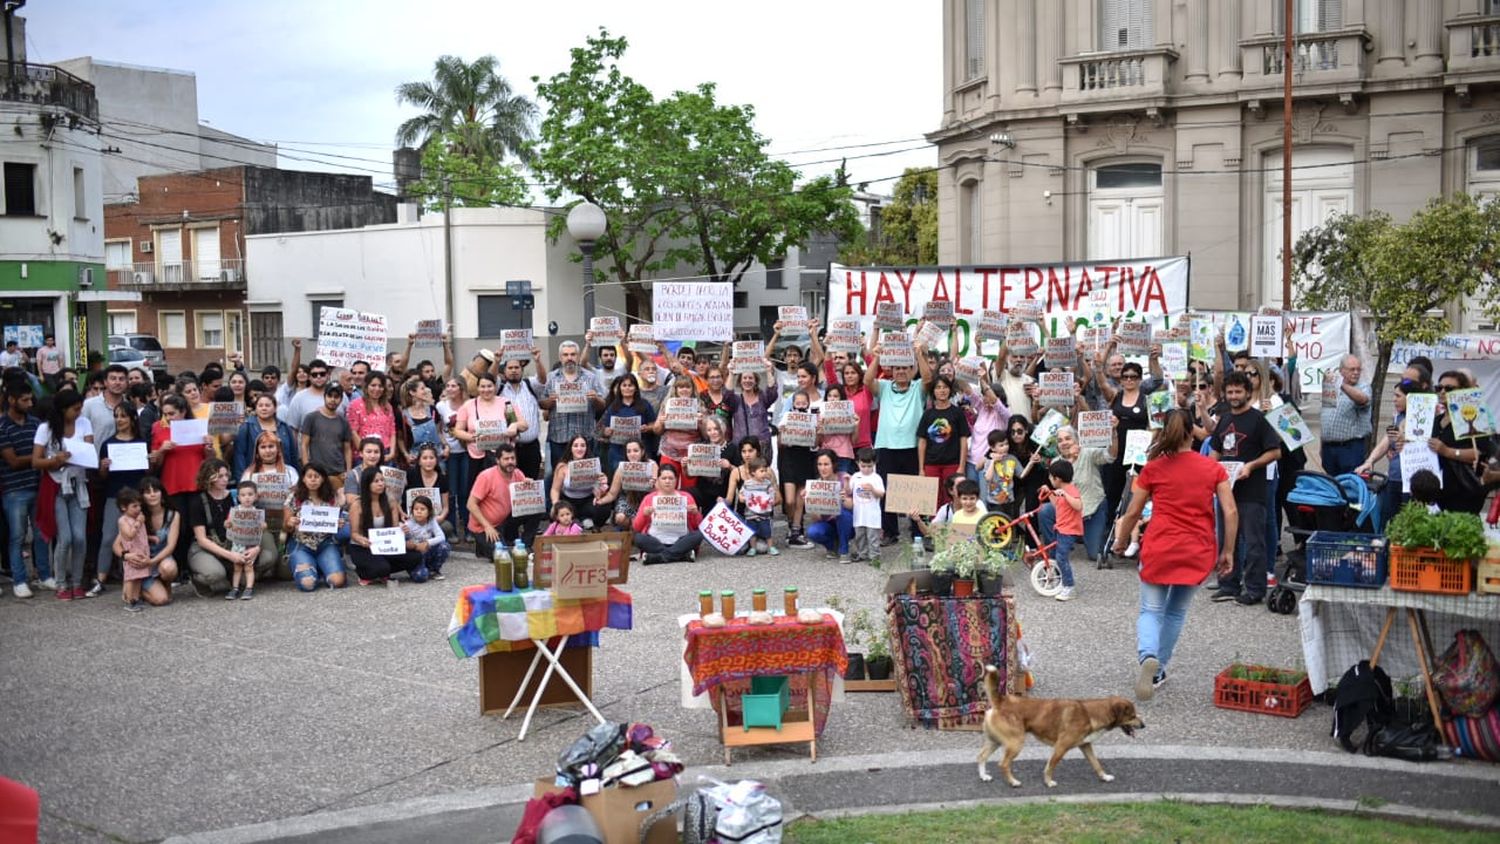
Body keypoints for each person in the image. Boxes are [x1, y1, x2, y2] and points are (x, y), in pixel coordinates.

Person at [1114, 408, 1237, 702]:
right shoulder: (1212, 468)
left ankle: (1147, 657)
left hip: (1160, 546)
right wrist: (1228, 550)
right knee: (1175, 612)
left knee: (1150, 611)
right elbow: (1230, 511)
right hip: (1196, 549)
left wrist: (1120, 541)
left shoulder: (1153, 468)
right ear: (1191, 432)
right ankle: (1159, 669)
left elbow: (1133, 511)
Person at [1209, 371, 1282, 606]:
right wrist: (1210, 471)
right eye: (1229, 392)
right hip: (1226, 489)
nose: (1233, 396)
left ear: (1248, 393)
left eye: (1238, 391)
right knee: (1227, 538)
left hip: (1252, 489)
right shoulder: (1224, 420)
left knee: (1253, 541)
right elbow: (1216, 450)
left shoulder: (1259, 419)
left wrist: (1251, 465)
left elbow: (1275, 451)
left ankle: (1254, 588)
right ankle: (1228, 583)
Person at [866, 328, 936, 547]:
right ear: (891, 370)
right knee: (886, 490)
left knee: (917, 491)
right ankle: (890, 531)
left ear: (911, 369)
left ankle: (919, 532)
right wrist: (877, 356)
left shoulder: (917, 388)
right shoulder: (885, 386)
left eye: (905, 368)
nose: (901, 372)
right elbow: (868, 381)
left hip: (912, 445)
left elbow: (928, 378)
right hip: (886, 445)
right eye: (897, 368)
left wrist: (918, 354)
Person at [34, 388, 93, 600]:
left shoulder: (84, 423)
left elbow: (88, 449)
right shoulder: (46, 428)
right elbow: (35, 461)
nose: (78, 413)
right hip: (56, 484)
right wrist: (55, 460)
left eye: (80, 409)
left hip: (78, 484)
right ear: (63, 409)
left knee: (80, 537)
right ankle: (61, 583)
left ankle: (76, 583)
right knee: (65, 537)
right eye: (75, 409)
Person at [187, 459, 276, 594]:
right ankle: (198, 579)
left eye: (226, 475)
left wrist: (256, 548)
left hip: (235, 543)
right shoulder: (198, 501)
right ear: (209, 477)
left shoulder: (236, 496)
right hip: (207, 547)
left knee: (266, 559)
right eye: (220, 476)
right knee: (215, 574)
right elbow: (201, 539)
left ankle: (232, 575)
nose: (225, 479)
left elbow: (254, 526)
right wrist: (230, 556)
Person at [89, 402, 148, 598]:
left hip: (138, 498)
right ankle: (100, 578)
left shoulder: (142, 442)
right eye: (116, 416)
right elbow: (103, 476)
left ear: (132, 419)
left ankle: (136, 576)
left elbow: (147, 472)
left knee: (138, 538)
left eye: (123, 416)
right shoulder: (107, 444)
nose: (119, 420)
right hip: (114, 496)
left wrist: (151, 460)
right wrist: (103, 467)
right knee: (108, 537)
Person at [1035, 423, 1118, 562]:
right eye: (1060, 440)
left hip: (1092, 509)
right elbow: (1059, 488)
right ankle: (1055, 549)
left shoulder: (1088, 452)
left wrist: (1114, 433)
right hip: (1069, 511)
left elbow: (1110, 455)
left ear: (1076, 440)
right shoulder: (1056, 462)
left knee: (1095, 554)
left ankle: (1088, 536)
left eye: (1068, 438)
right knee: (1045, 510)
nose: (1064, 443)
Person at [1, 379, 51, 596]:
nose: (29, 403)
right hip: (14, 489)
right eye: (24, 400)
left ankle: (44, 574)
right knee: (17, 536)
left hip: (37, 484)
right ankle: (19, 579)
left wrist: (39, 459)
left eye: (30, 399)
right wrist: (39, 458)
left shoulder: (35, 423)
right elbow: (12, 460)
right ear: (11, 400)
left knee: (41, 534)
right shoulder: (2, 427)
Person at [348, 466, 427, 584]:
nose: (380, 484)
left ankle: (381, 569)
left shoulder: (390, 501)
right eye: (376, 481)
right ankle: (364, 572)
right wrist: (362, 540)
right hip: (362, 547)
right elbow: (354, 534)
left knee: (416, 557)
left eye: (382, 480)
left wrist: (401, 530)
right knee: (383, 568)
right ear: (367, 484)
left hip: (383, 545)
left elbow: (394, 529)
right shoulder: (357, 505)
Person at [1428, 370, 1493, 514]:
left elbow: (1480, 453)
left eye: (1449, 389)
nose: (1443, 392)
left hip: (1464, 492)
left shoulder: (1473, 420)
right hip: (1437, 493)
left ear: (1463, 392)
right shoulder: (1436, 421)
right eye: (1439, 388)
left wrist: (1448, 451)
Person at [538, 341, 605, 475]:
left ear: (578, 356)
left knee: (585, 474)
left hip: (584, 436)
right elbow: (542, 403)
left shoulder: (591, 377)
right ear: (560, 357)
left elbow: (602, 404)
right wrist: (550, 401)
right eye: (566, 355)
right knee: (559, 474)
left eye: (573, 354)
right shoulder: (552, 377)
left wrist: (595, 398)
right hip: (559, 436)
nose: (569, 358)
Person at [468, 443, 544, 556]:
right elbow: (471, 504)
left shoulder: (517, 473)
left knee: (536, 509)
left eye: (512, 458)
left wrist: (530, 486)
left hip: (504, 521)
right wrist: (487, 526)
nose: (510, 462)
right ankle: (484, 547)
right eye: (506, 459)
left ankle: (525, 546)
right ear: (498, 460)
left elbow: (525, 500)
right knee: (502, 555)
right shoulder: (486, 476)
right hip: (483, 526)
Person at [284, 463, 347, 591]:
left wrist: (338, 524)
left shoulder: (331, 497)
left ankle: (322, 568)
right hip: (301, 544)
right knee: (307, 584)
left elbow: (335, 523)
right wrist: (290, 522)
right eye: (309, 476)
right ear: (303, 479)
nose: (313, 479)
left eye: (316, 476)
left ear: (323, 478)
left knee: (338, 581)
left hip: (325, 544)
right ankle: (314, 568)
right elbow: (285, 526)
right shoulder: (294, 497)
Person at [455, 371, 525, 482]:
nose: (486, 390)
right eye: (482, 386)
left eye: (489, 386)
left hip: (502, 455)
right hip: (477, 455)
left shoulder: (506, 403)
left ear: (495, 387)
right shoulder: (469, 405)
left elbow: (524, 425)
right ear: (477, 388)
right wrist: (474, 438)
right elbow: (458, 431)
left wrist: (515, 425)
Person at [631, 464, 704, 564]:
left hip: (680, 540)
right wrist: (644, 514)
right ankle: (681, 555)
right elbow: (636, 527)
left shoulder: (686, 497)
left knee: (698, 535)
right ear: (658, 480)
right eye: (664, 478)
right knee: (638, 538)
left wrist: (695, 513)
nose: (667, 481)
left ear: (676, 480)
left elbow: (698, 526)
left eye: (671, 478)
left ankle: (657, 557)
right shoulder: (649, 498)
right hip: (656, 540)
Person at [918, 375, 971, 510]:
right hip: (931, 464)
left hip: (952, 463)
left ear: (950, 390)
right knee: (932, 500)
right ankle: (933, 529)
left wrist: (961, 466)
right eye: (938, 387)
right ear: (933, 391)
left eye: (945, 387)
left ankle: (952, 529)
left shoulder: (957, 413)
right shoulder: (928, 414)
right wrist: (921, 469)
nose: (942, 391)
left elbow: (963, 440)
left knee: (953, 498)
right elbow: (922, 442)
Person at [776, 388, 818, 549]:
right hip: (789, 460)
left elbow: (815, 444)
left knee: (801, 501)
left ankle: (796, 531)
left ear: (808, 404)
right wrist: (783, 433)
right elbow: (780, 443)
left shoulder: (812, 419)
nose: (800, 405)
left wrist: (815, 431)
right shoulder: (787, 418)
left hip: (805, 460)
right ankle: (791, 524)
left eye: (803, 403)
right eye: (797, 403)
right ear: (792, 404)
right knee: (790, 500)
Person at [1319, 354, 1372, 477]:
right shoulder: (1331, 387)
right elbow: (1325, 415)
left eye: (1358, 369)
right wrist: (1322, 444)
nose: (1356, 372)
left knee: (1350, 485)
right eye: (1352, 369)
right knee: (1332, 484)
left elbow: (1363, 399)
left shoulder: (1363, 387)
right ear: (1341, 370)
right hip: (1329, 447)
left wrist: (1341, 384)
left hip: (1350, 448)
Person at [598, 373, 658, 475]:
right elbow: (603, 428)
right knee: (619, 480)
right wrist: (606, 432)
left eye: (630, 385)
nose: (627, 388)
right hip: (618, 452)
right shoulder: (613, 406)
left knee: (641, 480)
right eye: (624, 385)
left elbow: (654, 425)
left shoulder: (644, 404)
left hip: (641, 452)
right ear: (620, 388)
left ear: (635, 388)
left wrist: (647, 428)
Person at [1042, 461, 1084, 602]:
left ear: (1057, 479)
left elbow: (1078, 505)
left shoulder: (1071, 490)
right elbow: (1057, 506)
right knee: (1053, 554)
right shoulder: (1061, 492)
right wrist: (1049, 493)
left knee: (1061, 557)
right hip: (1060, 528)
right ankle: (1060, 581)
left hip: (1069, 530)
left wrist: (1065, 494)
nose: (1050, 480)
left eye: (1050, 477)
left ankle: (1069, 586)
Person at [136, 477, 180, 606]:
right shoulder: (136, 515)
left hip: (162, 558)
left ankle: (165, 585)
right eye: (147, 492)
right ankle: (136, 591)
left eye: (155, 490)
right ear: (142, 496)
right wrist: (126, 556)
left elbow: (171, 546)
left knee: (169, 569)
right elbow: (117, 544)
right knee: (161, 600)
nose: (152, 494)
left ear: (162, 492)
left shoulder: (173, 514)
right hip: (142, 562)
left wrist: (152, 562)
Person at [804, 449, 854, 563]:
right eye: (820, 464)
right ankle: (832, 547)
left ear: (834, 465)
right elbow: (816, 519)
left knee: (841, 511)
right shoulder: (815, 485)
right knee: (813, 532)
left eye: (826, 464)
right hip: (828, 524)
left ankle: (844, 550)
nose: (823, 468)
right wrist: (810, 503)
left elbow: (853, 506)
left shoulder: (845, 478)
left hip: (848, 522)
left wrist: (844, 499)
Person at [595, 439, 657, 531]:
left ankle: (637, 528)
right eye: (629, 451)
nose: (632, 454)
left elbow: (659, 491)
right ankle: (634, 527)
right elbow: (612, 494)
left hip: (646, 499)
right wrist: (600, 501)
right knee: (620, 518)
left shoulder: (652, 465)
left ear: (642, 452)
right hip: (627, 499)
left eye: (636, 451)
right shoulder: (621, 468)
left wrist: (653, 483)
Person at [232, 393, 298, 479]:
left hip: (282, 476)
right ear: (255, 408)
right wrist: (241, 480)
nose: (264, 408)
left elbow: (293, 454)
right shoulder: (246, 427)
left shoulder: (284, 427)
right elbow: (239, 455)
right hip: (255, 476)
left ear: (275, 408)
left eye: (267, 405)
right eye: (260, 405)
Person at [300, 384, 354, 487]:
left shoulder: (343, 422)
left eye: (336, 397)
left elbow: (347, 449)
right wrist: (307, 467)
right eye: (330, 396)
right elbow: (304, 445)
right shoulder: (311, 418)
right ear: (324, 396)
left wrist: (348, 471)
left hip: (338, 472)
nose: (333, 400)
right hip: (317, 473)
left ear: (341, 399)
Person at [437, 377, 470, 537]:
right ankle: (452, 530)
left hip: (466, 452)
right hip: (448, 454)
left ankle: (469, 528)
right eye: (448, 386)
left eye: (453, 386)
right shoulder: (441, 406)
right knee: (450, 493)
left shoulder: (469, 405)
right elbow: (438, 429)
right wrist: (445, 444)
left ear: (461, 388)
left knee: (465, 491)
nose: (449, 389)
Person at [113, 489, 153, 613]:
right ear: (123, 507)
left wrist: (151, 537)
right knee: (131, 578)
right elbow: (129, 535)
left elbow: (141, 535)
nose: (138, 509)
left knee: (138, 577)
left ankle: (136, 598)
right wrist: (138, 523)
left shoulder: (137, 519)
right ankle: (129, 600)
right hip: (132, 553)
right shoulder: (123, 521)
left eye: (139, 505)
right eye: (134, 506)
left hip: (141, 552)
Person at [224, 480, 263, 600]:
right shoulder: (235, 511)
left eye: (250, 494)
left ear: (256, 496)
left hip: (251, 544)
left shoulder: (257, 512)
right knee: (237, 567)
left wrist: (263, 525)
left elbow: (263, 526)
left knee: (248, 567)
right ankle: (235, 588)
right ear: (238, 497)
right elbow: (227, 524)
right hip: (237, 543)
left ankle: (249, 588)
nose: (247, 498)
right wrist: (228, 523)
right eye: (243, 495)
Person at [346, 372, 397, 461]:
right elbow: (353, 431)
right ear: (366, 386)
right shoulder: (355, 405)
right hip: (364, 455)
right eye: (373, 385)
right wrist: (365, 452)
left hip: (385, 454)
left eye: (380, 386)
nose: (377, 389)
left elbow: (392, 432)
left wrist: (392, 453)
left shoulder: (387, 406)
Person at [847, 448, 885, 565]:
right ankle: (862, 553)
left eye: (869, 466)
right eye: (863, 466)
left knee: (873, 537)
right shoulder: (855, 476)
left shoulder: (876, 478)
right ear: (858, 463)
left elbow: (882, 494)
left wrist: (873, 490)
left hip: (872, 515)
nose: (866, 469)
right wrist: (847, 481)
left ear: (874, 464)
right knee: (860, 535)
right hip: (859, 514)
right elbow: (849, 490)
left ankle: (875, 556)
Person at [739, 457, 781, 557]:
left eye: (765, 471)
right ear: (753, 472)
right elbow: (741, 493)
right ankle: (753, 548)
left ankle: (771, 547)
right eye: (761, 471)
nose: (764, 473)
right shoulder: (747, 484)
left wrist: (771, 500)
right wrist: (742, 498)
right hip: (750, 513)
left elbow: (771, 493)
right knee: (752, 532)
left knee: (767, 531)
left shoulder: (767, 483)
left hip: (764, 513)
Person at [404, 442, 451, 533]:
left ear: (436, 460)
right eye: (424, 458)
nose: (428, 461)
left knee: (447, 527)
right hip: (412, 519)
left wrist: (440, 518)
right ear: (419, 461)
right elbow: (397, 497)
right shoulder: (410, 475)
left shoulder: (442, 478)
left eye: (431, 458)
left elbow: (445, 507)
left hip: (433, 519)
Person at [403, 494, 449, 580]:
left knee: (444, 546)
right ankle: (415, 569)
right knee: (421, 577)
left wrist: (427, 543)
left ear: (429, 511)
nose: (419, 512)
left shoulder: (431, 521)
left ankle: (433, 569)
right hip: (415, 554)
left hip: (427, 551)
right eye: (416, 509)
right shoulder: (409, 524)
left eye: (422, 509)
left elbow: (441, 537)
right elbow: (402, 541)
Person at [980, 430, 1021, 517]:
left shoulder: (1012, 458)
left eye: (1006, 444)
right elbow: (988, 478)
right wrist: (993, 462)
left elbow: (1021, 474)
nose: (1005, 447)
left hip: (1009, 499)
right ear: (993, 448)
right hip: (994, 501)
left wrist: (1031, 462)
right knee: (998, 525)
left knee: (1010, 523)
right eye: (1001, 445)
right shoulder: (989, 460)